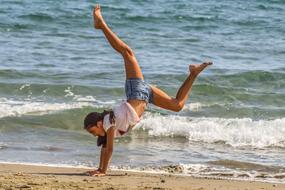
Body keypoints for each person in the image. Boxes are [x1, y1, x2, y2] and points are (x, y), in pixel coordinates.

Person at [84, 4, 212, 176]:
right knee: (177, 105)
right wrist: (100, 169)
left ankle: (101, 25)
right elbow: (105, 147)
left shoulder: (107, 122)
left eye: (93, 131)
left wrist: (103, 171)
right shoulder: (108, 128)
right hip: (145, 94)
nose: (94, 135)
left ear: (99, 123)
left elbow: (109, 150)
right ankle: (193, 73)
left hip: (136, 92)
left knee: (127, 52)